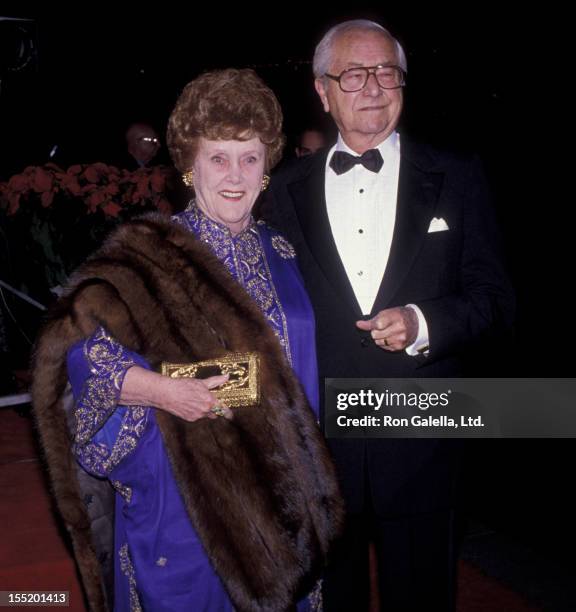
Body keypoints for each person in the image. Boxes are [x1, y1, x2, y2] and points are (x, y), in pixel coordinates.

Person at [32, 69, 343, 612]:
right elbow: (78, 352)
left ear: (266, 168)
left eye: (249, 158)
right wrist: (159, 389)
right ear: (188, 165)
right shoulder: (147, 252)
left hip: (283, 493)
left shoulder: (285, 254)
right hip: (184, 492)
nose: (234, 174)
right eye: (217, 158)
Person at [266, 19, 515, 612]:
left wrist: (425, 323)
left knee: (424, 596)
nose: (373, 86)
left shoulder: (456, 174)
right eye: (353, 74)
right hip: (320, 449)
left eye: (386, 72)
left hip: (425, 434)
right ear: (323, 92)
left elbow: (497, 300)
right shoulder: (279, 190)